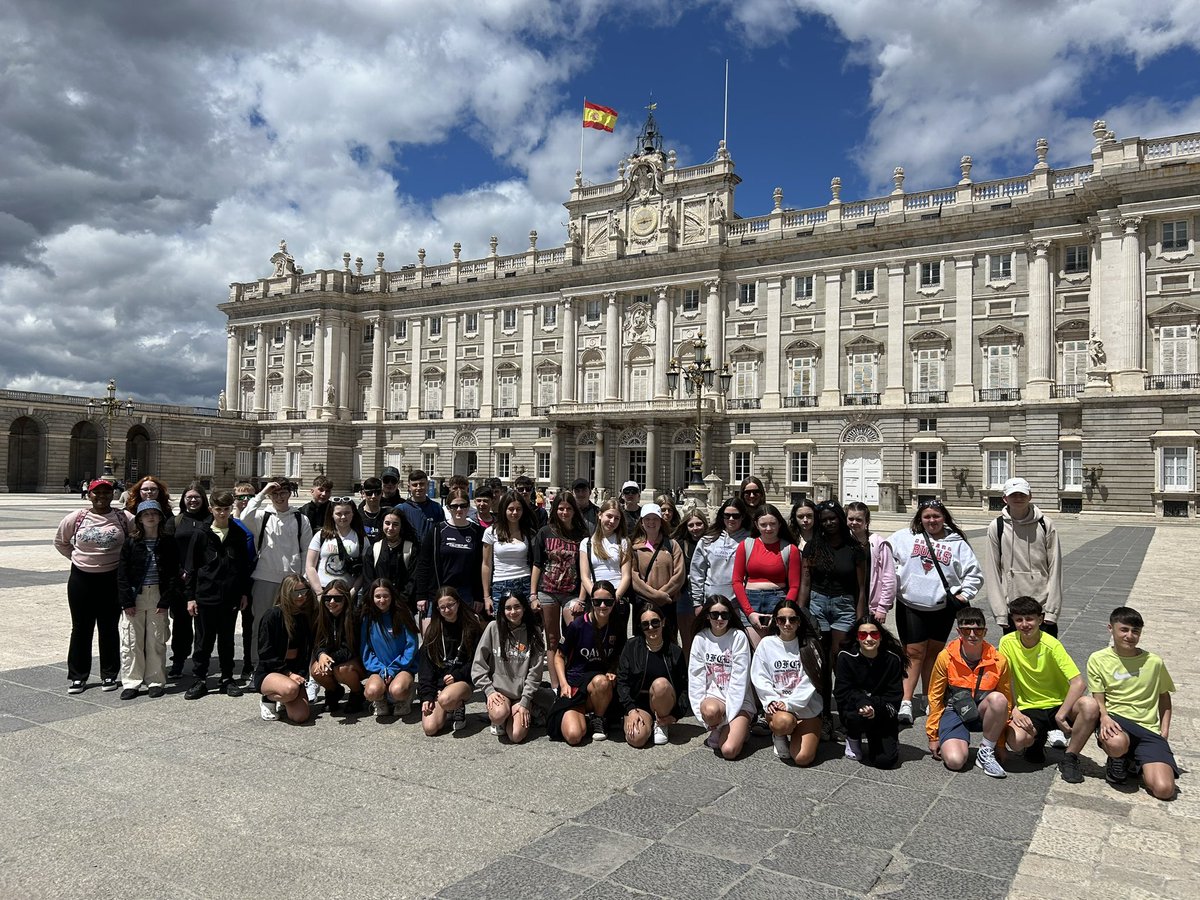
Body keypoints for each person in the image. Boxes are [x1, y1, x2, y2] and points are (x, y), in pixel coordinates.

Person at [888, 499, 982, 726]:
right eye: (927, 516)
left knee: (934, 652)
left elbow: (974, 573)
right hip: (911, 604)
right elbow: (883, 555)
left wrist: (963, 594)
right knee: (913, 652)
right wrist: (895, 580)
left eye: (936, 516)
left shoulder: (957, 543)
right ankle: (907, 700)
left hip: (942, 607)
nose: (932, 521)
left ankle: (930, 697)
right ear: (920, 518)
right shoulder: (905, 537)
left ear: (944, 518)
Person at [1000, 597, 1099, 784]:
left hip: (1060, 704)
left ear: (1040, 619)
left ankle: (1070, 757)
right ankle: (1036, 741)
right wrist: (1014, 709)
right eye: (1019, 619)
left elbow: (1079, 683)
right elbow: (1002, 680)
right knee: (1017, 741)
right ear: (1012, 620)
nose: (1024, 624)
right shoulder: (1007, 642)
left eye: (1029, 618)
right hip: (1030, 705)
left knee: (1090, 705)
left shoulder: (1051, 644)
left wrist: (1061, 715)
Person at [1088, 606, 1178, 800]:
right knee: (1117, 742)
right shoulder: (1098, 659)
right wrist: (1104, 717)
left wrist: (1164, 731)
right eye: (1124, 630)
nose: (1130, 635)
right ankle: (1117, 758)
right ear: (1110, 629)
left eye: (1135, 631)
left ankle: (1137, 761)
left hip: (1147, 728)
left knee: (1164, 790)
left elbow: (1164, 697)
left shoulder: (1154, 662)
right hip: (1117, 721)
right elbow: (1098, 696)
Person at [54, 478, 133, 693]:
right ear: (89, 495)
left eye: (107, 493)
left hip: (112, 578)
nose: (102, 497)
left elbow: (140, 536)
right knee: (81, 628)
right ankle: (78, 676)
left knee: (109, 627)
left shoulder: (123, 517)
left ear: (113, 495)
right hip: (82, 579)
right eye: (97, 493)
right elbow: (60, 541)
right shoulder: (77, 517)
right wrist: (77, 558)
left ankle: (109, 675)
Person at [799, 499, 868, 735]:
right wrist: (801, 612)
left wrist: (861, 621)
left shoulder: (855, 549)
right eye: (825, 519)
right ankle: (825, 714)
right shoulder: (813, 547)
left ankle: (848, 712)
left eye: (833, 518)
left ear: (840, 518)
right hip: (818, 604)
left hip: (844, 606)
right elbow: (805, 583)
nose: (829, 522)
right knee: (822, 662)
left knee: (842, 660)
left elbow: (861, 589)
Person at [238, 480, 313, 683]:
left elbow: (306, 549)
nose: (279, 497)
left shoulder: (300, 518)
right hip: (264, 577)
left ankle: (288, 666)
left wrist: (303, 577)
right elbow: (244, 518)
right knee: (260, 625)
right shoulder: (263, 515)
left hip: (291, 580)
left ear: (290, 494)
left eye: (283, 493)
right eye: (275, 493)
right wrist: (262, 493)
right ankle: (258, 665)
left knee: (292, 626)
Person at [925, 606, 1013, 778]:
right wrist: (933, 735)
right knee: (955, 761)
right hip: (955, 710)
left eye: (978, 630)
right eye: (967, 630)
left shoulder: (999, 660)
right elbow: (934, 696)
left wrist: (1000, 743)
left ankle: (986, 751)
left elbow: (1007, 701)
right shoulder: (946, 657)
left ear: (985, 631)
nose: (972, 635)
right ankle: (956, 741)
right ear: (959, 631)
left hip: (982, 711)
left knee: (999, 699)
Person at [184, 490, 252, 700]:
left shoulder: (238, 534)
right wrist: (190, 597)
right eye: (219, 509)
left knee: (227, 639)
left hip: (230, 596)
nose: (222, 514)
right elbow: (191, 568)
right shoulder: (201, 533)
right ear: (211, 509)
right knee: (203, 640)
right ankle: (200, 679)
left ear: (231, 509)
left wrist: (244, 593)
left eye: (226, 509)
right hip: (205, 595)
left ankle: (226, 678)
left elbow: (243, 567)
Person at [116, 499, 182, 700]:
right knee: (131, 641)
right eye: (146, 514)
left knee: (156, 640)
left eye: (154, 513)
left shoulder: (168, 541)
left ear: (160, 518)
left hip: (157, 596)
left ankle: (155, 680)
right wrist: (126, 601)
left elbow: (173, 573)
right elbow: (122, 573)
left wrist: (165, 601)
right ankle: (132, 682)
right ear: (139, 519)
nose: (150, 517)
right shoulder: (131, 541)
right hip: (136, 596)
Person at [547, 580, 625, 744]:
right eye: (597, 602)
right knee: (574, 736)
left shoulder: (618, 625)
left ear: (614, 602)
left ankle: (599, 718)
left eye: (608, 602)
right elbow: (559, 657)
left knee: (602, 681)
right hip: (575, 682)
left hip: (599, 684)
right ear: (591, 602)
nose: (603, 606)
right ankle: (583, 715)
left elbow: (620, 654)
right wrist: (563, 684)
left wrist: (613, 669)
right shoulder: (578, 625)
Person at [984, 477, 1063, 638]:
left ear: (1030, 496)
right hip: (1012, 608)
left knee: (1045, 659)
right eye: (1013, 495)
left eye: (1022, 494)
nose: (1018, 498)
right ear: (1005, 498)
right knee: (1014, 660)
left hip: (1041, 607)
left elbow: (1055, 568)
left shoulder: (1045, 524)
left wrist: (1052, 611)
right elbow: (992, 571)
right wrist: (999, 612)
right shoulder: (997, 527)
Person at [750, 599, 824, 766]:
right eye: (781, 619)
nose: (787, 624)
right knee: (783, 722)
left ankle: (802, 732)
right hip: (779, 709)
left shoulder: (809, 646)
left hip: (807, 708)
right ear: (776, 622)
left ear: (799, 622)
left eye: (792, 619)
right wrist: (771, 700)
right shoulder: (766, 644)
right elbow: (759, 676)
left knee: (802, 759)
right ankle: (779, 734)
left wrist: (790, 704)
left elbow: (810, 681)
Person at [471, 591, 548, 743]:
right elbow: (478, 665)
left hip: (521, 694)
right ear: (502, 610)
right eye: (508, 608)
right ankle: (501, 717)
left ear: (524, 608)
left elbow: (535, 672)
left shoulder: (534, 631)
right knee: (499, 714)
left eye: (517, 607)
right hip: (500, 692)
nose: (513, 612)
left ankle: (528, 709)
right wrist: (489, 691)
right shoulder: (493, 627)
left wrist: (525, 701)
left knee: (516, 736)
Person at [531, 492, 588, 691]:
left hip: (571, 593)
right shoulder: (545, 532)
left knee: (575, 634)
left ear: (574, 511)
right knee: (552, 639)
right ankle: (556, 686)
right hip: (547, 590)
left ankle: (573, 679)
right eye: (561, 508)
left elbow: (585, 570)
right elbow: (537, 564)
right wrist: (533, 595)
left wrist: (582, 598)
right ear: (555, 510)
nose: (564, 512)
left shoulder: (582, 536)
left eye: (568, 508)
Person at [688, 595, 754, 759]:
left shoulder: (738, 637)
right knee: (710, 711)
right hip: (714, 699)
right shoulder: (700, 639)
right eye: (714, 614)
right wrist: (704, 718)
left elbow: (740, 681)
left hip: (738, 702)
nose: (719, 619)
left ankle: (739, 728)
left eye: (724, 615)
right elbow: (696, 678)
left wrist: (728, 717)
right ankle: (716, 727)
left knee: (728, 751)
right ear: (707, 616)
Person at [835, 617, 905, 768]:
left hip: (882, 711)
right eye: (863, 635)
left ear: (880, 636)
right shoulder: (846, 657)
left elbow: (895, 696)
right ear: (857, 637)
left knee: (885, 761)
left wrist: (875, 707)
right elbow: (842, 692)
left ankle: (881, 738)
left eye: (874, 634)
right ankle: (853, 735)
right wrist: (862, 702)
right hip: (856, 709)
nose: (868, 639)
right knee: (855, 716)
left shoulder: (893, 660)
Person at [616, 602, 689, 747]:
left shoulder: (675, 652)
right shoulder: (631, 646)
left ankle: (661, 723)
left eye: (655, 622)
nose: (650, 627)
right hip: (638, 703)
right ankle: (646, 723)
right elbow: (622, 680)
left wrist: (675, 716)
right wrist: (630, 709)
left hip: (664, 701)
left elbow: (685, 687)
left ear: (663, 622)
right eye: (645, 624)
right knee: (635, 738)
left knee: (660, 684)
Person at [161, 480, 212, 680]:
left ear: (203, 499)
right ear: (183, 500)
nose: (192, 500)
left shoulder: (210, 519)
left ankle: (201, 662)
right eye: (189, 497)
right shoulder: (175, 521)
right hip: (181, 580)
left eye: (196, 497)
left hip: (205, 580)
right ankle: (179, 660)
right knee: (181, 624)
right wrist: (179, 571)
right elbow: (167, 551)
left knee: (203, 625)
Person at [732, 504, 801, 650]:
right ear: (756, 525)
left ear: (779, 524)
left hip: (778, 600)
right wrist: (749, 612)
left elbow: (794, 585)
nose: (768, 529)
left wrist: (783, 611)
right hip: (751, 600)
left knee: (775, 649)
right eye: (763, 524)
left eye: (772, 524)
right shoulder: (745, 546)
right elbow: (737, 581)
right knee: (756, 650)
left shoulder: (790, 549)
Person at [419, 587, 483, 735]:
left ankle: (457, 705)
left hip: (463, 680)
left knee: (447, 698)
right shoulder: (433, 631)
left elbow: (476, 661)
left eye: (450, 605)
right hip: (440, 686)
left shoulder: (471, 627)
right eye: (442, 607)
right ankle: (446, 708)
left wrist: (458, 675)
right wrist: (427, 696)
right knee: (430, 728)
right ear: (437, 609)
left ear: (458, 603)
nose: (447, 610)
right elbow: (425, 668)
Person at [415, 488, 485, 622]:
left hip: (466, 593)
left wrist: (478, 595)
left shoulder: (477, 532)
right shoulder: (437, 530)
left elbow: (481, 566)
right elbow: (424, 563)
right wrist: (421, 595)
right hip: (440, 590)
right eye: (455, 506)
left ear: (468, 507)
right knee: (435, 635)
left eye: (463, 506)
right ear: (448, 508)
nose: (459, 510)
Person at [255, 575, 316, 722]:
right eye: (296, 592)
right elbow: (265, 653)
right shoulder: (272, 616)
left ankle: (286, 698)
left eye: (304, 591)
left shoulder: (304, 616)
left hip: (294, 672)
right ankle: (268, 699)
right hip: (271, 670)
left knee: (300, 717)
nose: (301, 596)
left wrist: (300, 674)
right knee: (291, 689)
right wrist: (288, 674)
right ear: (286, 593)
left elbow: (306, 653)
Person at [360, 578, 419, 718]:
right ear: (372, 597)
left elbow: (411, 647)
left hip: (402, 668)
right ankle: (381, 700)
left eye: (386, 596)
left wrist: (393, 669)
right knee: (371, 691)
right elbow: (366, 649)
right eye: (378, 596)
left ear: (392, 596)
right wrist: (381, 669)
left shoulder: (403, 614)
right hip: (379, 668)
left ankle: (405, 695)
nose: (382, 600)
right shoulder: (368, 617)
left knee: (397, 690)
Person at [630, 503, 686, 644]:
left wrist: (663, 595)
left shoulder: (672, 545)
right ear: (641, 522)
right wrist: (655, 596)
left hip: (668, 603)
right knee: (643, 641)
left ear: (661, 521)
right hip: (644, 603)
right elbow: (634, 577)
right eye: (647, 519)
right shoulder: (634, 547)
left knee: (668, 640)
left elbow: (679, 574)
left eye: (655, 518)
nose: (651, 522)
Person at [311, 578, 366, 714]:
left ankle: (357, 693)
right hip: (334, 659)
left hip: (356, 662)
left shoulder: (355, 617)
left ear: (346, 599)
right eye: (328, 598)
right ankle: (334, 691)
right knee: (316, 670)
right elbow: (318, 643)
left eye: (337, 599)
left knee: (342, 670)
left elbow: (351, 649)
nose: (332, 602)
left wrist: (328, 659)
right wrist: (321, 655)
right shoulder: (321, 616)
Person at [578, 499, 633, 635]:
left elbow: (626, 575)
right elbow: (585, 576)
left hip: (616, 594)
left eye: (616, 518)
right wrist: (596, 597)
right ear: (600, 515)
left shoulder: (623, 542)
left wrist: (615, 597)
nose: (612, 521)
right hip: (595, 595)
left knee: (617, 640)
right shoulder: (587, 543)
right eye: (609, 516)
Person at [482, 491, 538, 617]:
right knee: (501, 625)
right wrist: (487, 596)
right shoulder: (491, 532)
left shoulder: (529, 533)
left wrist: (534, 594)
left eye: (518, 509)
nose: (514, 513)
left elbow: (536, 562)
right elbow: (486, 564)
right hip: (500, 583)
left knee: (525, 624)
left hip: (524, 582)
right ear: (504, 510)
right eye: (511, 509)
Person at [361, 506, 420, 613]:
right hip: (378, 606)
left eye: (395, 524)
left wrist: (399, 601)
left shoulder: (411, 549)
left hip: (403, 607)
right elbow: (368, 580)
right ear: (382, 524)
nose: (390, 528)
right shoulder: (373, 549)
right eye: (387, 523)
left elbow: (413, 579)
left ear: (401, 526)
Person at [845, 501, 895, 625]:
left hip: (869, 603)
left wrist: (882, 608)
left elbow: (889, 577)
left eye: (859, 519)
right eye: (851, 519)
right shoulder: (842, 541)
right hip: (845, 604)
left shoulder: (879, 543)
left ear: (866, 522)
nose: (854, 523)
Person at [305, 496, 366, 597]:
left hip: (347, 592)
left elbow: (364, 570)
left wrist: (352, 592)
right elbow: (310, 566)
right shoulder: (321, 535)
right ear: (332, 515)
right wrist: (319, 593)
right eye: (338, 514)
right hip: (323, 590)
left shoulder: (361, 538)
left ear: (353, 514)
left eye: (347, 513)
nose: (343, 517)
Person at [675, 507, 708, 658]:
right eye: (691, 525)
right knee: (688, 640)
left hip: (707, 596)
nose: (695, 528)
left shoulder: (712, 542)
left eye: (698, 524)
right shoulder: (680, 544)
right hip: (685, 596)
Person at [398, 469, 445, 543]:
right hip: (408, 552)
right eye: (414, 485)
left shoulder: (437, 508)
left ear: (427, 485)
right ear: (409, 487)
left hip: (430, 552)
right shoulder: (401, 509)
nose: (418, 488)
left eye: (422, 484)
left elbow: (442, 533)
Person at [357, 476, 387, 540]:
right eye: (369, 493)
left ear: (381, 493)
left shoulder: (387, 514)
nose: (373, 496)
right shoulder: (356, 515)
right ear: (363, 493)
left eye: (377, 492)